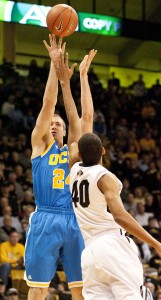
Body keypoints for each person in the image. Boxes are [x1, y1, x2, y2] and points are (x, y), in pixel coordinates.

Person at [69, 133, 161, 300]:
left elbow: (76, 136)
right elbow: (120, 217)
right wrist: (157, 244)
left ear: (79, 154)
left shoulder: (73, 171)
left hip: (89, 252)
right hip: (112, 245)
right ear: (103, 151)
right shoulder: (104, 177)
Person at [24, 34, 96, 300]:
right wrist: (55, 69)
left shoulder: (74, 152)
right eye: (51, 123)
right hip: (46, 216)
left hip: (74, 218)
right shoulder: (40, 147)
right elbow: (48, 104)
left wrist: (80, 79)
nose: (53, 124)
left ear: (65, 132)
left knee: (80, 288)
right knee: (38, 287)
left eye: (59, 123)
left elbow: (84, 118)